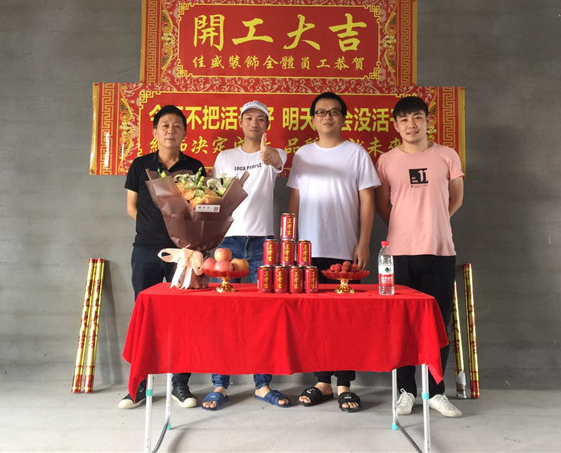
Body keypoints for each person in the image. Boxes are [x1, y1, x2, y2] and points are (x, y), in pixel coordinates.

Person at [286, 92, 380, 413]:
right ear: (313, 119)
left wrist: (363, 242)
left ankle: (344, 385)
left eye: (334, 112)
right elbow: (295, 200)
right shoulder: (303, 154)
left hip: (344, 247)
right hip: (307, 250)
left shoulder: (356, 153)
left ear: (343, 118)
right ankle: (322, 381)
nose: (327, 117)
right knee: (315, 319)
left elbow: (367, 200)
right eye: (321, 112)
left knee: (344, 319)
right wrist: (292, 243)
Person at [374, 95, 465, 418]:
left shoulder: (446, 155)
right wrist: (406, 227)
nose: (411, 125)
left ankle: (436, 392)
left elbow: (456, 198)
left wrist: (435, 221)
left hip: (439, 250)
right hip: (399, 254)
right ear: (395, 126)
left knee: (439, 323)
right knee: (401, 325)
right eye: (404, 120)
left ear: (428, 121)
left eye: (417, 118)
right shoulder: (386, 161)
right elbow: (382, 204)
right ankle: (406, 391)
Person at [202, 100, 290, 411]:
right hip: (228, 241)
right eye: (249, 118)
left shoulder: (276, 154)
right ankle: (219, 385)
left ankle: (262, 385)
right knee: (223, 314)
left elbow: (277, 161)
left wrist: (269, 156)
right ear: (240, 123)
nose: (254, 123)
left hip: (264, 243)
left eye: (261, 119)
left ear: (267, 125)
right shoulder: (225, 157)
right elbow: (213, 196)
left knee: (262, 315)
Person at [118, 105, 204, 410]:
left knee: (183, 317)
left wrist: (180, 238)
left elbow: (200, 208)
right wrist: (154, 230)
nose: (171, 130)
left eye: (177, 126)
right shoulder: (140, 165)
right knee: (145, 318)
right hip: (145, 250)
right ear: (155, 132)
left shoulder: (194, 167)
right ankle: (139, 385)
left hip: (183, 253)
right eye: (165, 125)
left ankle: (180, 384)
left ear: (185, 133)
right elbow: (132, 208)